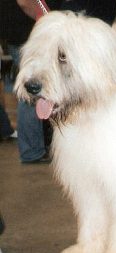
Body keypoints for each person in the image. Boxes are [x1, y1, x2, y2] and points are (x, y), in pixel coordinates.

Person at [0, 0, 54, 163]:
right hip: (25, 35)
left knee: (31, 93)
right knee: (30, 95)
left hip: (20, 34)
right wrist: (49, 20)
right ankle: (31, 151)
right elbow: (24, 2)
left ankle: (33, 149)